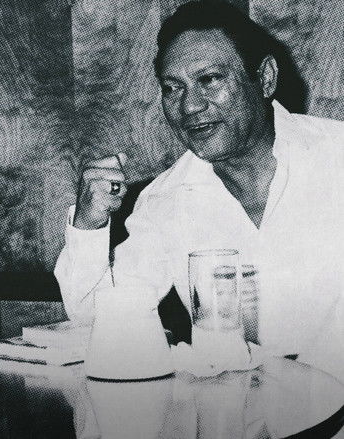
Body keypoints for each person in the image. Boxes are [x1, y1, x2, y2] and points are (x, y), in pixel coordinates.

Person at [55, 0, 344, 381]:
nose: (189, 105)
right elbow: (99, 323)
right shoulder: (165, 202)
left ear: (266, 78)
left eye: (209, 79)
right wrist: (88, 225)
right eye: (172, 88)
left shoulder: (336, 158)